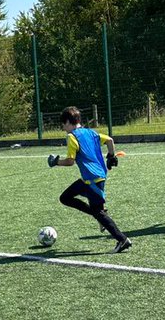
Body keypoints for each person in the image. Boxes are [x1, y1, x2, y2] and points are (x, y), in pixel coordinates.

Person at [46, 106, 132, 254]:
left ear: (68, 122)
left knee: (98, 211)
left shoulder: (72, 137)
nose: (63, 127)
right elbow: (110, 140)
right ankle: (97, 215)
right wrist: (111, 156)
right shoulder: (91, 132)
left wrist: (56, 162)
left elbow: (70, 161)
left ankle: (122, 239)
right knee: (65, 197)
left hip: (91, 180)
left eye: (63, 124)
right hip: (94, 178)